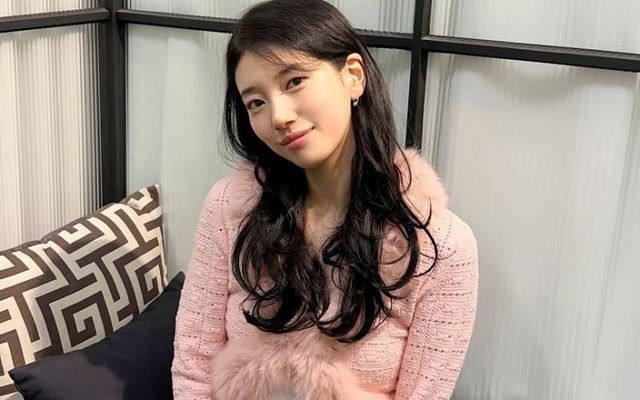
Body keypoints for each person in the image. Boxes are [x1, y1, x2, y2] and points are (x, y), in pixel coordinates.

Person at [171, 0, 478, 399]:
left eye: (294, 81)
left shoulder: (443, 248)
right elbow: (193, 366)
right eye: (256, 102)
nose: (278, 116)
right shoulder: (229, 208)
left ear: (353, 76)